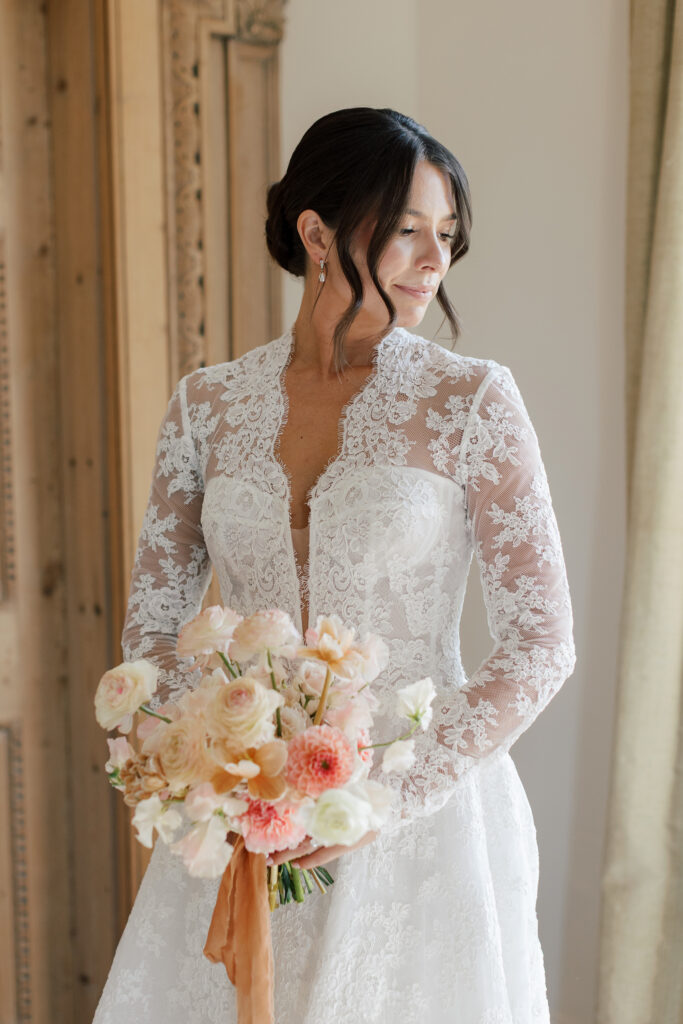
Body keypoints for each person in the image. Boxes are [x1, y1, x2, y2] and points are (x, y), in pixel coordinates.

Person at [92, 107, 576, 1023]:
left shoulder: (470, 401)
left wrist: (387, 795)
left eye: (447, 235)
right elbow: (152, 629)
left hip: (422, 830)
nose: (435, 260)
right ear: (316, 233)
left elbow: (540, 646)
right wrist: (217, 774)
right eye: (406, 231)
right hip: (245, 824)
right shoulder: (207, 406)